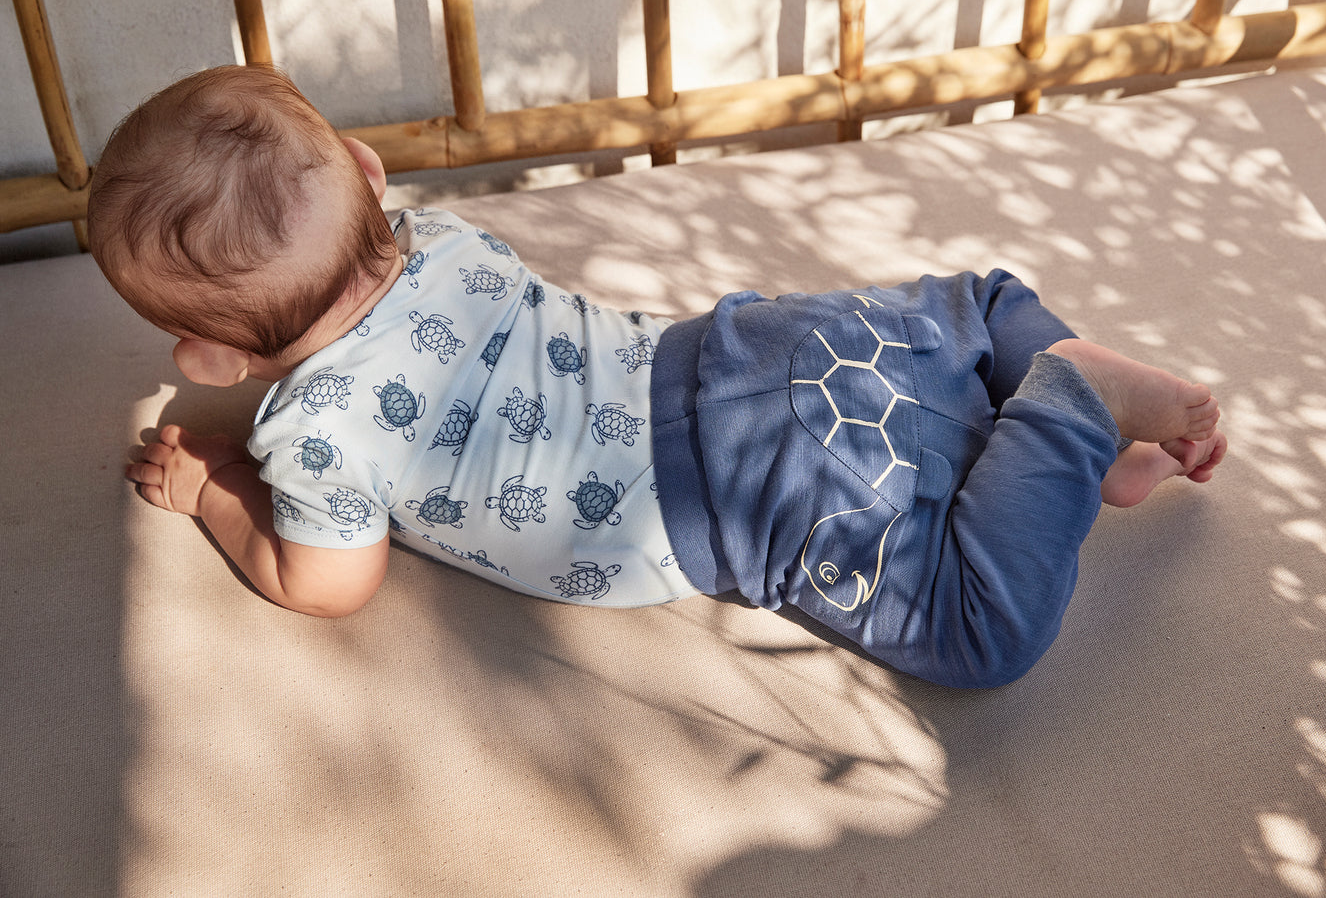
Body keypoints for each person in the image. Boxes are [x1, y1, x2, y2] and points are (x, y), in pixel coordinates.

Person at [90, 64, 1225, 689]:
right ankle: (1055, 410)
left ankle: (1072, 415)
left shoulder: (318, 438)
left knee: (982, 635)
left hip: (730, 501)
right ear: (370, 174)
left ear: (210, 357)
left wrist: (217, 490)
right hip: (743, 346)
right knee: (970, 308)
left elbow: (327, 582)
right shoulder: (438, 238)